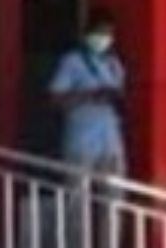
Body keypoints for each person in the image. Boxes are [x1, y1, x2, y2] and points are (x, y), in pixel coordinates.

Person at [48, 10, 126, 176]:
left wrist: (115, 96)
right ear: (87, 33)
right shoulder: (72, 61)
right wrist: (90, 96)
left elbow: (119, 93)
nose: (103, 38)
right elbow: (55, 98)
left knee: (114, 185)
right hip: (82, 136)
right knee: (78, 187)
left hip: (109, 136)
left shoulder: (114, 64)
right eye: (99, 33)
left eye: (108, 34)